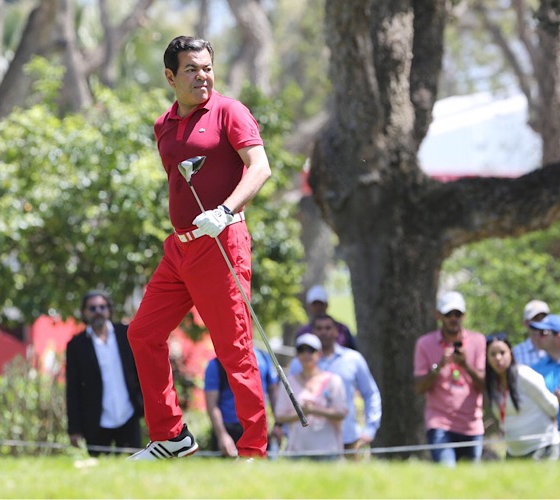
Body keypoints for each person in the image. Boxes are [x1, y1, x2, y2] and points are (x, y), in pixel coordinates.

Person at [126, 35, 272, 460]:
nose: (202, 76)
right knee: (143, 333)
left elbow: (259, 167)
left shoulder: (230, 111)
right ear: (170, 76)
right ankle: (171, 436)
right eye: (191, 69)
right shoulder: (163, 126)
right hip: (180, 249)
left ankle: (254, 452)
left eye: (207, 68)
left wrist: (226, 210)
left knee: (234, 350)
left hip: (222, 242)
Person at [288, 314, 381, 458]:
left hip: (348, 438)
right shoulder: (298, 363)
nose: (323, 332)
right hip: (309, 441)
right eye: (319, 328)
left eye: (328, 328)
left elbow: (370, 393)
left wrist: (370, 428)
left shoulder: (353, 359)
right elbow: (289, 398)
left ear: (336, 331)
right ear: (313, 332)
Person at [66, 290, 144, 456]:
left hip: (128, 415)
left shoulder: (125, 334)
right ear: (84, 313)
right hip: (96, 421)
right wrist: (74, 429)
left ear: (109, 310)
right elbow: (72, 389)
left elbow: (141, 372)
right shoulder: (76, 345)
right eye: (92, 308)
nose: (98, 312)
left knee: (135, 466)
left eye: (102, 307)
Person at [413, 291, 486, 466]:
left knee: (471, 479)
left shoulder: (478, 341)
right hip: (440, 423)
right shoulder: (424, 344)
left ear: (464, 316)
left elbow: (485, 385)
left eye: (457, 314)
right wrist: (438, 367)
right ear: (439, 315)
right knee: (448, 474)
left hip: (472, 424)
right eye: (448, 314)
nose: (453, 318)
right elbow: (419, 388)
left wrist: (466, 365)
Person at [485, 332, 559, 460]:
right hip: (514, 452)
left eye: (502, 353)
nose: (498, 358)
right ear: (487, 358)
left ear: (511, 353)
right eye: (493, 354)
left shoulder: (524, 375)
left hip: (543, 448)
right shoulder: (492, 383)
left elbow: (552, 406)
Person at [276, 333, 347, 460]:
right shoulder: (288, 382)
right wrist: (302, 412)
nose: (306, 354)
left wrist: (314, 410)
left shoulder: (333, 381)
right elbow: (280, 416)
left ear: (319, 353)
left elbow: (341, 413)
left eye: (310, 350)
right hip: (297, 452)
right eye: (301, 350)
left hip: (328, 451)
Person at [204, 347, 279, 458]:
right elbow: (212, 404)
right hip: (229, 430)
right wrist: (222, 435)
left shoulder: (263, 357)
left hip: (258, 429)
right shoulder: (216, 363)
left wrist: (278, 424)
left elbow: (273, 392)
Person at [294, 285, 357, 350]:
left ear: (327, 305)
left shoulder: (342, 329)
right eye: (315, 304)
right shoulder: (303, 332)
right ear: (309, 306)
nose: (318, 308)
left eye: (321, 304)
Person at [529, 314, 560, 437]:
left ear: (559, 336)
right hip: (547, 438)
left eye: (543, 333)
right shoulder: (534, 370)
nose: (537, 337)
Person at [512, 300, 549, 366]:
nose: (541, 323)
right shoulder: (516, 353)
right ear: (525, 323)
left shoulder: (557, 348)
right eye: (536, 319)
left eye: (544, 318)